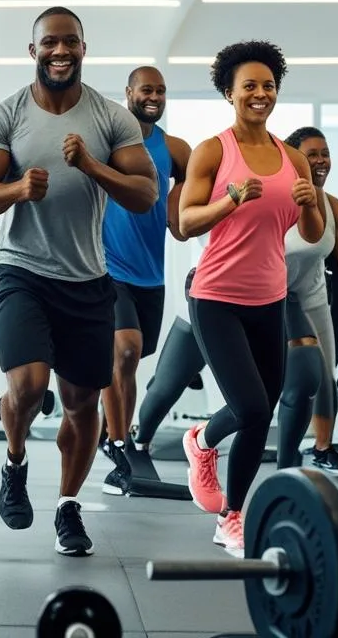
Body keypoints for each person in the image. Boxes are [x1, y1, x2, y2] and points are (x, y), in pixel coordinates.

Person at [0, 6, 158, 557]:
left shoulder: (110, 118)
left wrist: (93, 167)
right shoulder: (7, 116)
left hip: (88, 279)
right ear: (34, 51)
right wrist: (17, 190)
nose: (60, 51)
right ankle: (15, 462)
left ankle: (68, 506)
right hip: (21, 270)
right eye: (50, 43)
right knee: (28, 385)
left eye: (70, 42)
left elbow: (145, 194)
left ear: (83, 50)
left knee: (80, 400)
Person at [176, 40, 324, 557]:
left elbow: (312, 230)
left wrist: (310, 202)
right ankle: (231, 519)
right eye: (249, 87)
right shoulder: (214, 151)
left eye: (268, 85)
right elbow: (185, 221)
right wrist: (229, 200)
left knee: (259, 413)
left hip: (269, 298)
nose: (260, 94)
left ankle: (200, 443)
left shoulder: (294, 158)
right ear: (228, 92)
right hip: (215, 296)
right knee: (253, 407)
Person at [96, 65, 191, 496]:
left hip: (150, 271)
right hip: (105, 266)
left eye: (160, 90)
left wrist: (175, 201)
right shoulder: (109, 139)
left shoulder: (173, 148)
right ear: (128, 92)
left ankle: (103, 430)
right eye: (145, 89)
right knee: (126, 349)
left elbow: (194, 177)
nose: (153, 96)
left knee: (132, 357)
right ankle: (121, 446)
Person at [277, 126, 338, 476]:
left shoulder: (335, 208)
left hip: (310, 293)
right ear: (293, 159)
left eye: (325, 153)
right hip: (272, 293)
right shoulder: (279, 198)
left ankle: (323, 448)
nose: (321, 160)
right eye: (311, 154)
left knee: (324, 370)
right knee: (299, 371)